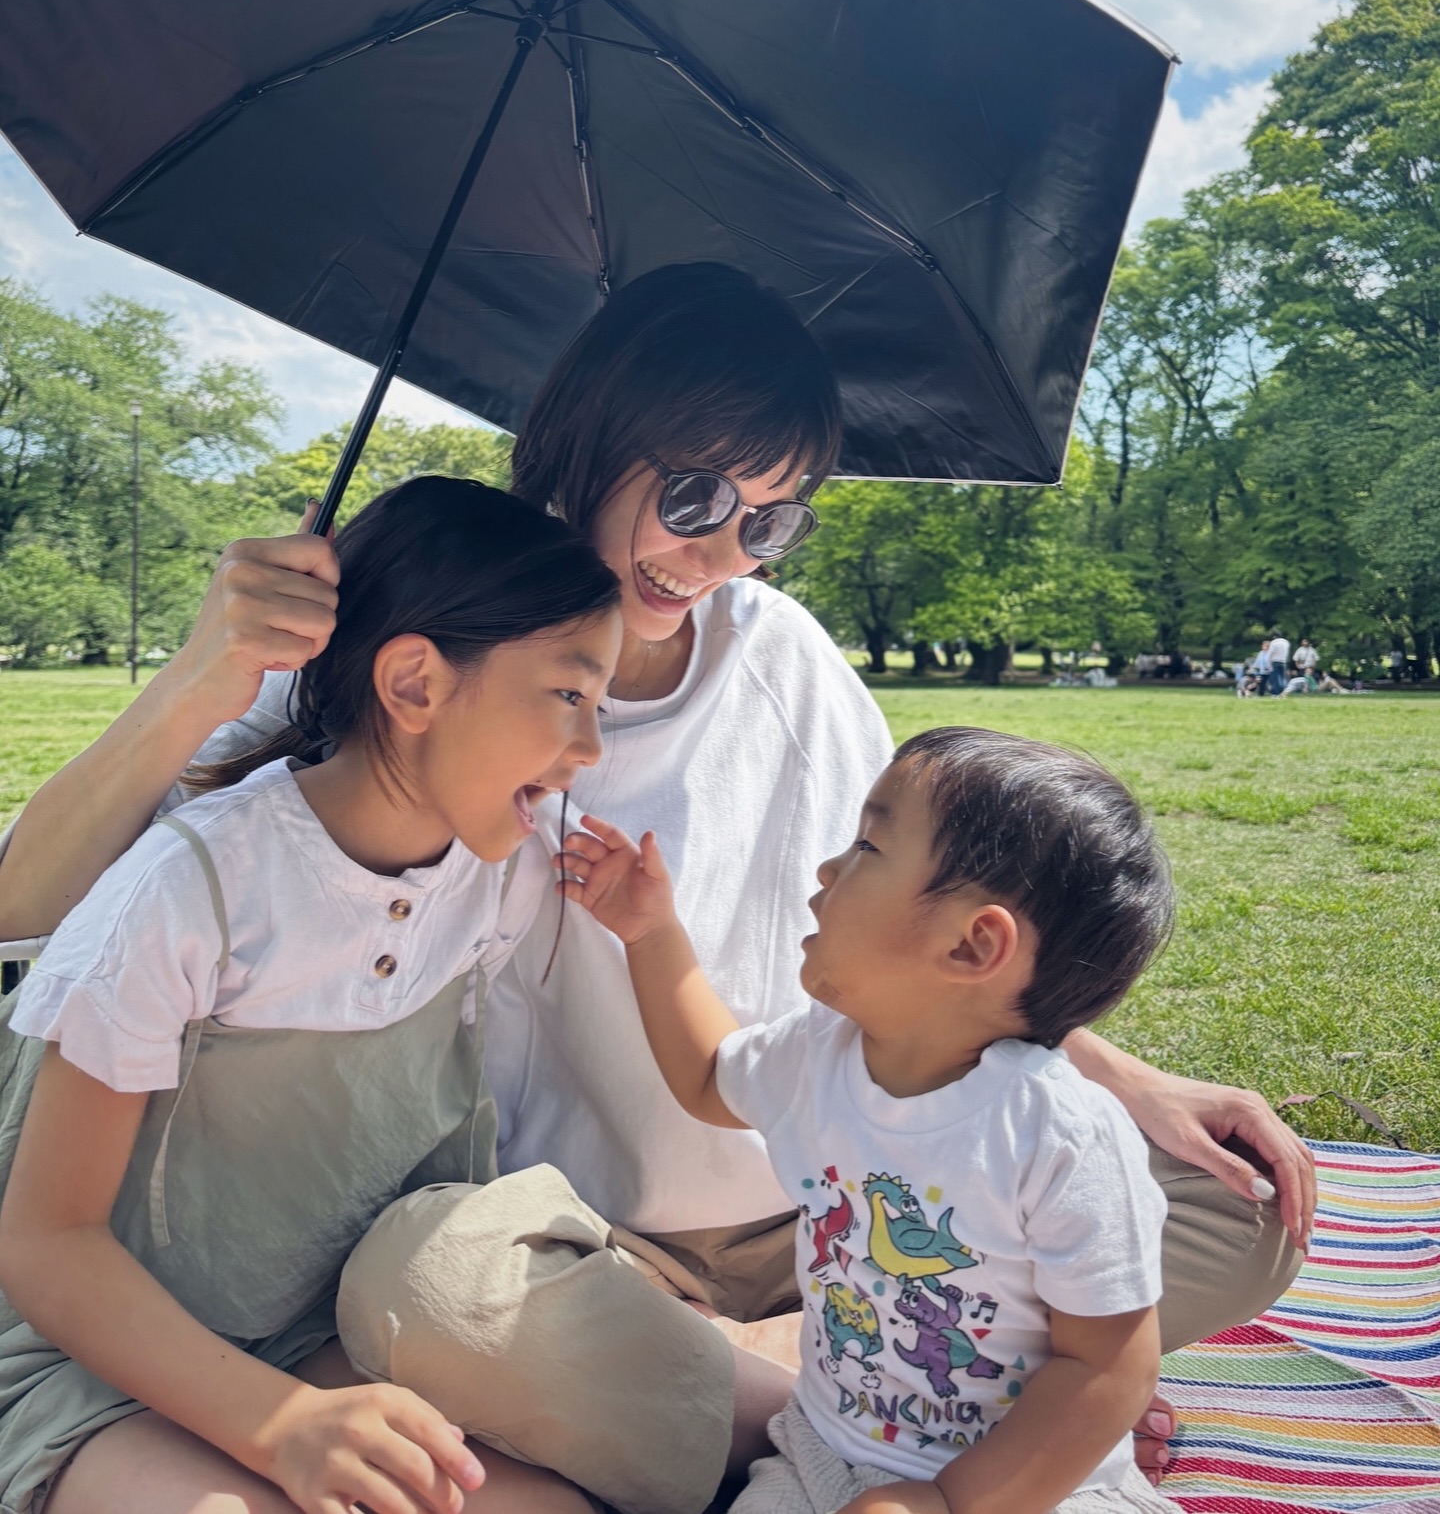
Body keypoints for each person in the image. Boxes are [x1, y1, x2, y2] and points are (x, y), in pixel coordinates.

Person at [0, 266, 1313, 1510]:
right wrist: (199, 679)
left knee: (1232, 1206)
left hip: (846, 1191)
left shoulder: (780, 655)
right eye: (692, 494)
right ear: (593, 438)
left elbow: (934, 929)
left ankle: (831, 1377)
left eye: (773, 515)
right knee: (436, 1288)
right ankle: (873, 1405)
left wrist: (1125, 1081)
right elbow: (36, 906)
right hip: (583, 1244)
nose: (722, 548)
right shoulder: (419, 655)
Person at [0, 478, 624, 1514]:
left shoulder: (495, 873)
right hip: (97, 1368)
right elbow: (45, 1243)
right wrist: (279, 1424)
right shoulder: (188, 888)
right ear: (415, 683)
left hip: (329, 1330)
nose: (594, 746)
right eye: (570, 693)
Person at [557, 727, 1177, 1514]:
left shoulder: (1057, 1134)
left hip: (1025, 1487)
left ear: (973, 943)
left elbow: (1110, 1366)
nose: (826, 870)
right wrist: (650, 932)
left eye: (866, 847)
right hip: (822, 1454)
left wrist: (945, 1501)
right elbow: (710, 1076)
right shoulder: (821, 1053)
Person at [1267, 632, 1290, 699]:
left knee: (1276, 678)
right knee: (1283, 677)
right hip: (1283, 661)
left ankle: (1276, 693)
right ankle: (1283, 692)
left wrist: (1269, 663)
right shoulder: (1286, 642)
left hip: (1275, 661)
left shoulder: (1274, 642)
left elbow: (1270, 653)